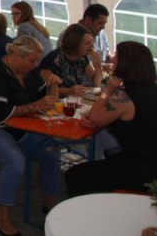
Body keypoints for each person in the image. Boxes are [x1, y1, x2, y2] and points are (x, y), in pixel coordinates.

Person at [0, 36, 61, 236]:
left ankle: (50, 201)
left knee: (51, 149)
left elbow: (48, 101)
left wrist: (53, 84)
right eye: (32, 60)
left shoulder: (29, 73)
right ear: (16, 56)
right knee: (15, 161)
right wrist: (35, 106)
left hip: (16, 127)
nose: (36, 65)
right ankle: (2, 217)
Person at [65, 41, 157, 197]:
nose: (112, 59)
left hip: (142, 170)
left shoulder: (122, 98)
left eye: (117, 56)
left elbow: (93, 118)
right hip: (149, 163)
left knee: (75, 175)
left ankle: (90, 210)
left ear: (127, 63)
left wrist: (109, 89)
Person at [39, 23, 103, 97]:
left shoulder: (83, 57)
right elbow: (43, 88)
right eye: (87, 43)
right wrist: (68, 91)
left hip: (73, 99)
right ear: (74, 44)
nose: (92, 46)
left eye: (92, 41)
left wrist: (98, 66)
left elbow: (95, 83)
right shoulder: (55, 58)